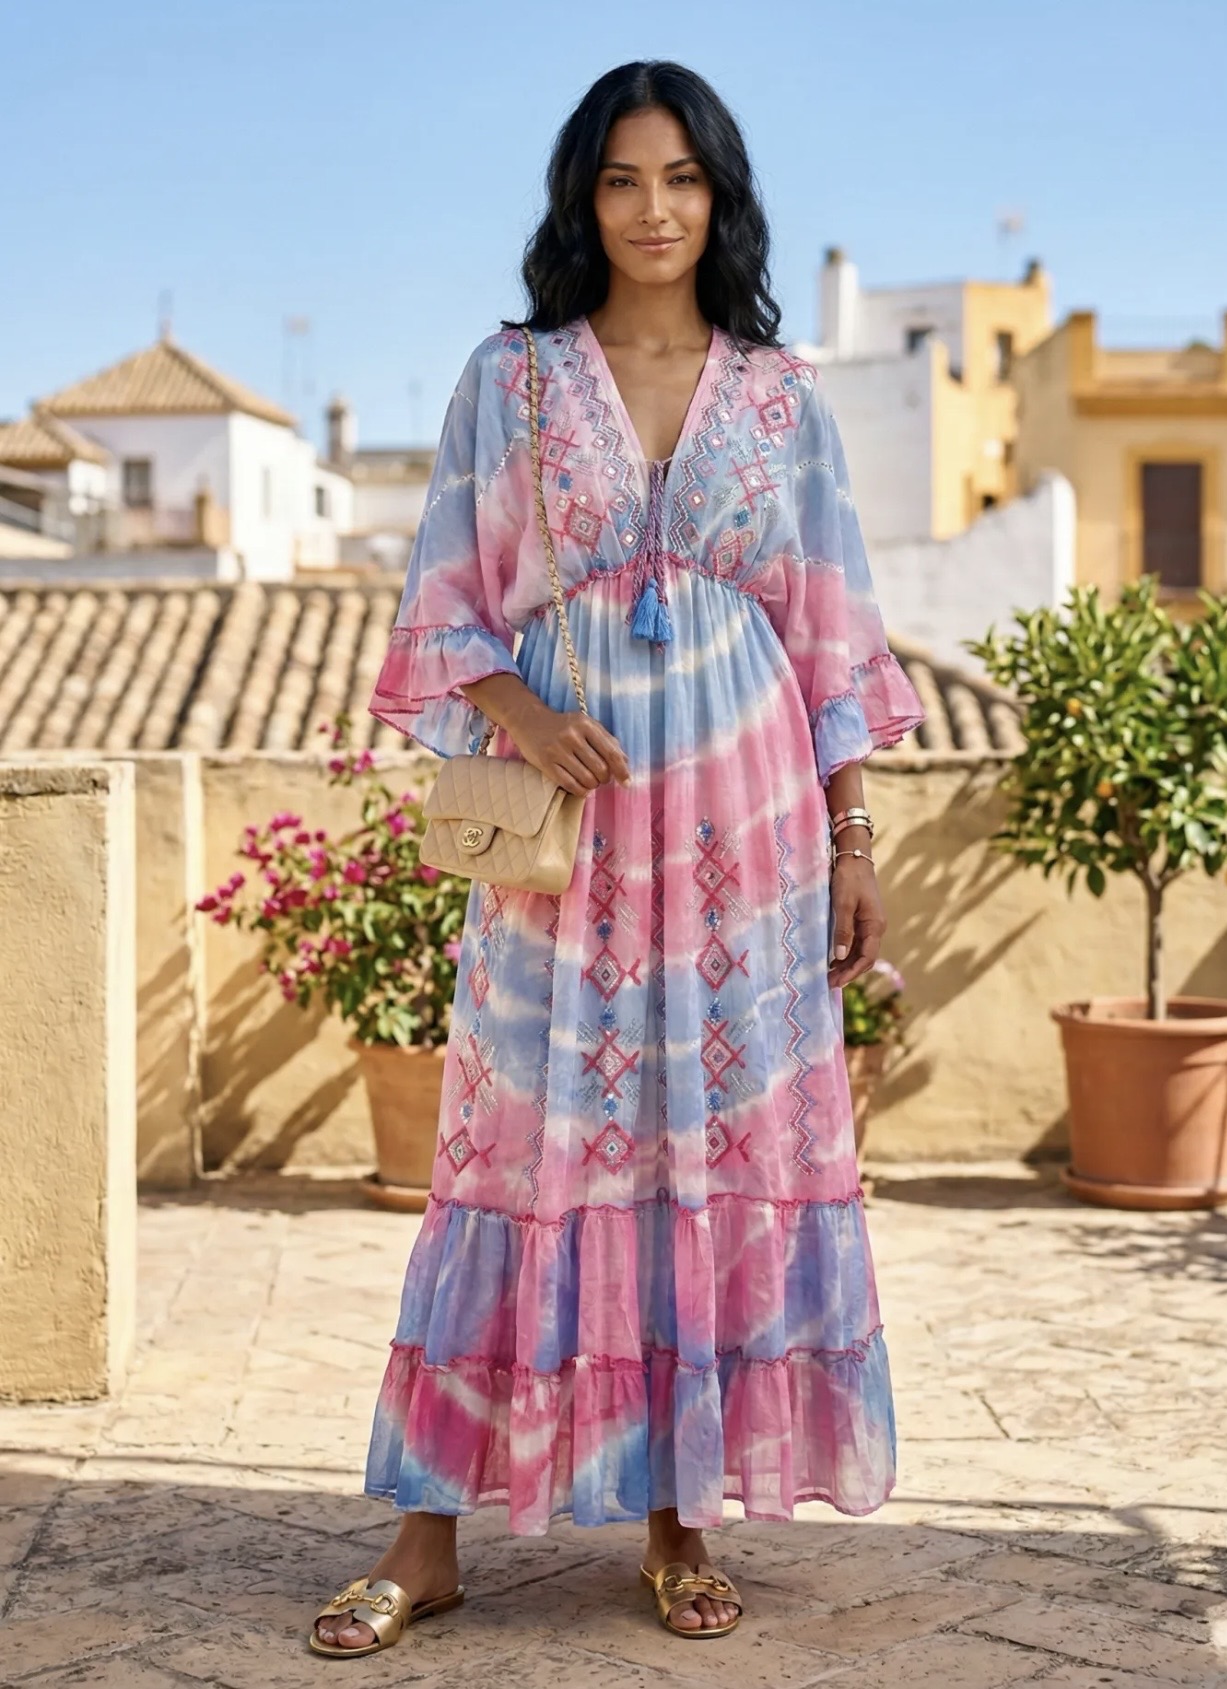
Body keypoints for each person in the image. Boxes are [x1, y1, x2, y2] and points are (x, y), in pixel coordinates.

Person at [311, 58, 924, 1658]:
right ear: (582, 200)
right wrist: (522, 715)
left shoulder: (779, 396)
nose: (654, 210)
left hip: (747, 828)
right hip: (566, 831)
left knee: (703, 1153)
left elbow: (828, 633)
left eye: (682, 179)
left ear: (721, 198)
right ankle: (426, 1533)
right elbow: (445, 601)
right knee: (512, 1146)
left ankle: (678, 1517)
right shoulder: (512, 379)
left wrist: (854, 839)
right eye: (622, 180)